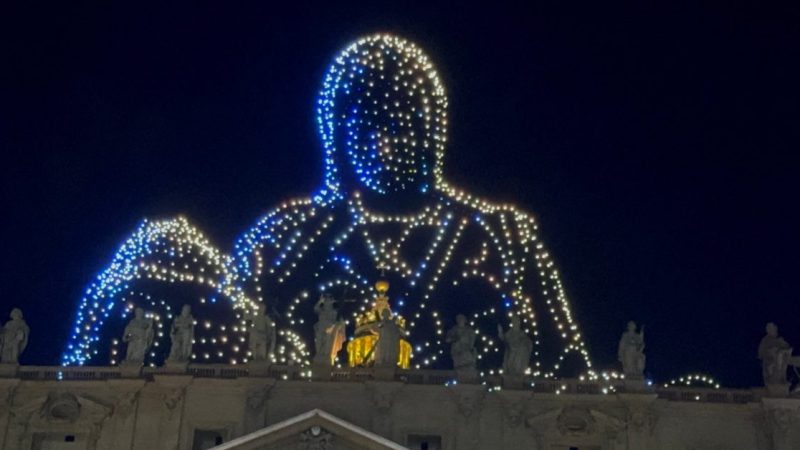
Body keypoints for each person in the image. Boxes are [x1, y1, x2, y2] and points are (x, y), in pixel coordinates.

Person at [313, 294, 345, 366]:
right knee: (319, 341)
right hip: (321, 326)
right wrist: (320, 301)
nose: (327, 302)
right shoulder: (321, 310)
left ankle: (327, 355)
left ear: (331, 302)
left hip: (330, 328)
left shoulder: (334, 311)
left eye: (328, 300)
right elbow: (315, 309)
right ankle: (319, 354)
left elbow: (338, 322)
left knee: (328, 342)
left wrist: (336, 325)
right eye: (325, 301)